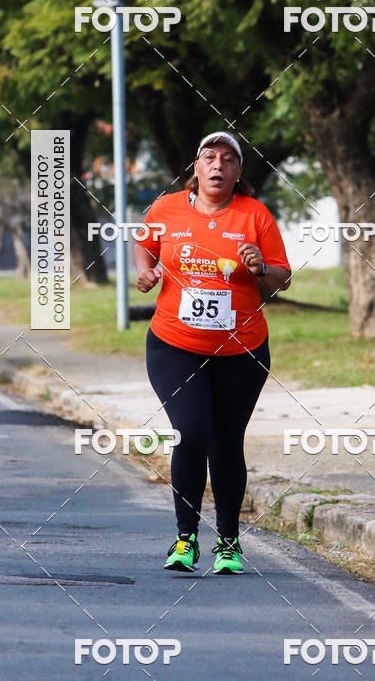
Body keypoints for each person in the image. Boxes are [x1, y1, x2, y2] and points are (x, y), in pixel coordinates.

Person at [134, 131, 291, 574]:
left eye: (228, 159)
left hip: (243, 351)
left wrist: (262, 268)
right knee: (192, 432)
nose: (218, 165)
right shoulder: (165, 209)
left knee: (226, 442)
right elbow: (144, 246)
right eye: (209, 157)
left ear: (239, 172)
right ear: (197, 168)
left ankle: (227, 543)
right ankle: (185, 540)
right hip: (174, 346)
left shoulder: (254, 215)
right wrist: (146, 272)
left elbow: (282, 277)